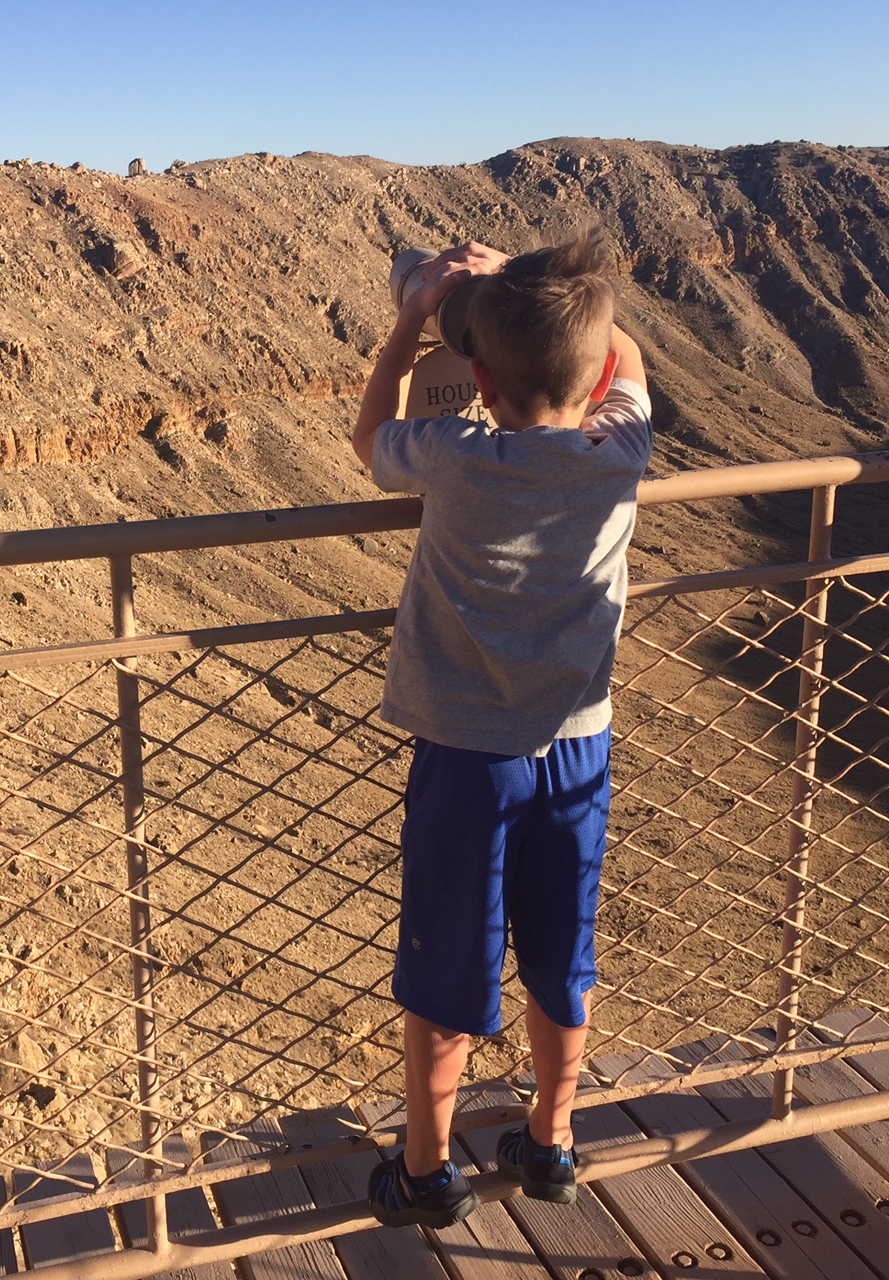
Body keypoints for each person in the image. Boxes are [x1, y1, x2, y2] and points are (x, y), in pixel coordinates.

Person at [352, 230, 653, 1227]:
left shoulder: (452, 452)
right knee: (561, 960)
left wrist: (412, 317)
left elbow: (369, 438)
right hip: (575, 752)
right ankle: (553, 1140)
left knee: (447, 963)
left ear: (474, 376)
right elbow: (627, 365)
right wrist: (544, 299)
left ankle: (428, 1167)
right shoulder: (620, 449)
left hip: (466, 760)